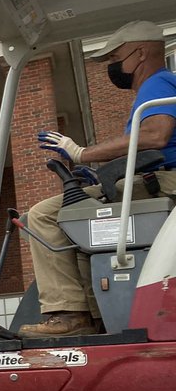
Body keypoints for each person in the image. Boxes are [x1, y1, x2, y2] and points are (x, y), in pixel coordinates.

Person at [22, 21, 176, 338]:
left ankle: (68, 313)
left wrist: (81, 153)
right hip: (154, 179)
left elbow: (156, 136)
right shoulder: (161, 85)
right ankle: (93, 315)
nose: (113, 66)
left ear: (140, 52)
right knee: (77, 227)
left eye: (115, 57)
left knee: (44, 215)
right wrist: (98, 172)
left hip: (163, 182)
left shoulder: (157, 84)